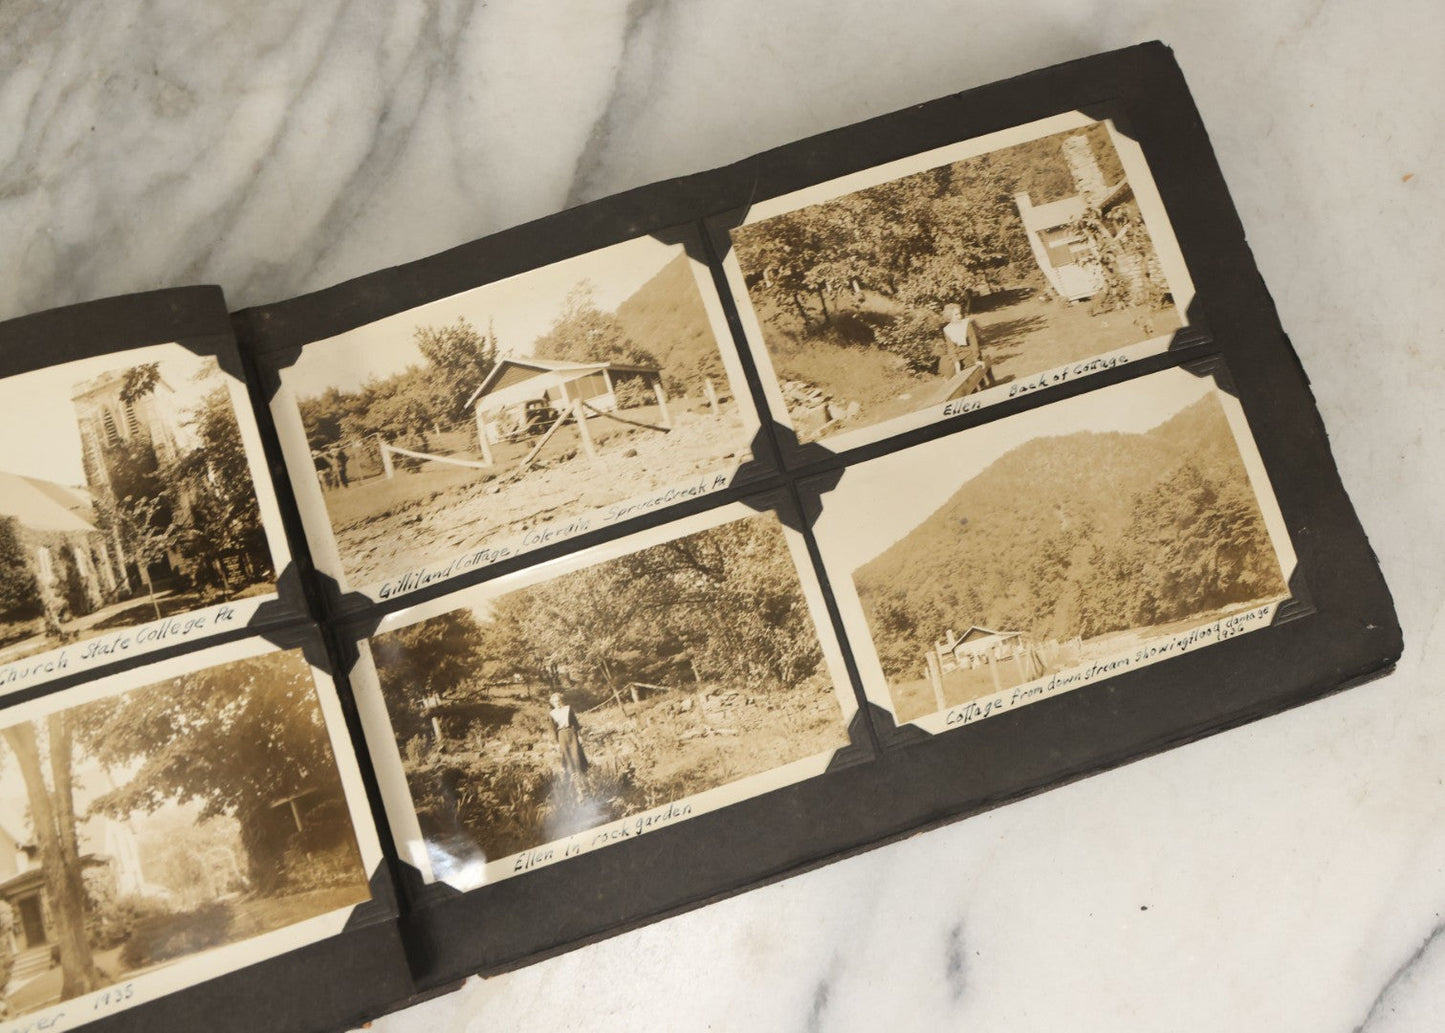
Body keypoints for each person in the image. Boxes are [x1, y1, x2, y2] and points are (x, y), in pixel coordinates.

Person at [548, 692, 589, 777]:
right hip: (561, 734)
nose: (557, 703)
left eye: (558, 700)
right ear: (552, 703)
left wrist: (580, 736)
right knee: (566, 753)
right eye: (555, 701)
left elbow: (575, 723)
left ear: (561, 700)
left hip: (571, 732)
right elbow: (552, 729)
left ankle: (581, 772)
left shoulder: (568, 709)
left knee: (576, 751)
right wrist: (556, 743)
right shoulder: (552, 713)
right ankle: (571, 773)